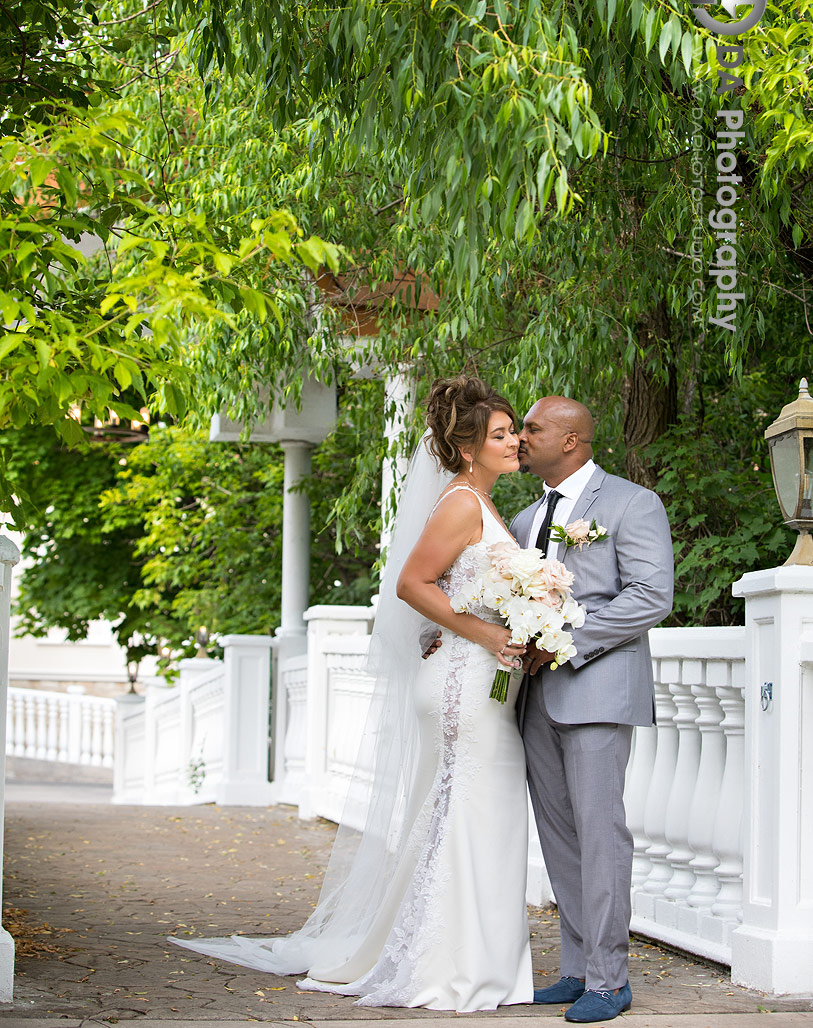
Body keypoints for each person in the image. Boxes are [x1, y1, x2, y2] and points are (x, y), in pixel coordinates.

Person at [171, 375, 533, 1012]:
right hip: (460, 684)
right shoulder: (461, 503)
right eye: (502, 434)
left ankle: (470, 959)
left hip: (481, 680)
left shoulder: (485, 502)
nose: (515, 442)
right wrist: (483, 632)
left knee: (472, 815)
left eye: (513, 432)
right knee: (466, 812)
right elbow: (413, 584)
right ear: (470, 447)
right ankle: (449, 966)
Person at [511, 395, 674, 1024]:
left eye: (533, 428)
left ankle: (610, 980)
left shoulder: (632, 503)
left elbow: (651, 596)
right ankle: (577, 968)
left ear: (572, 440)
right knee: (558, 838)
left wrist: (566, 642)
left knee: (601, 837)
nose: (521, 437)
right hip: (534, 702)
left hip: (598, 689)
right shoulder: (525, 519)